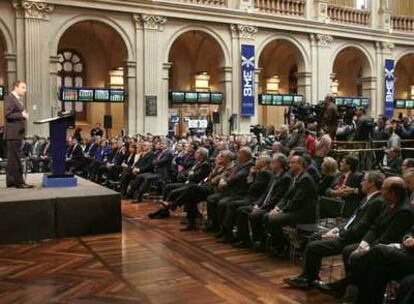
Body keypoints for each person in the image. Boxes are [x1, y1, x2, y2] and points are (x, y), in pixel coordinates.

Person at [283, 171, 385, 289]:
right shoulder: (368, 198)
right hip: (346, 232)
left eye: (364, 180)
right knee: (315, 237)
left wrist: (339, 235)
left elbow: (361, 227)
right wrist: (336, 229)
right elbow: (351, 219)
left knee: (313, 247)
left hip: (351, 238)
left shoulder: (376, 201)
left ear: (372, 183)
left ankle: (307, 278)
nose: (361, 183)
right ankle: (309, 277)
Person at [264, 155, 318, 255]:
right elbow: (286, 196)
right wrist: (277, 208)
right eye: (289, 163)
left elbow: (296, 202)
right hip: (295, 210)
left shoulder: (305, 179)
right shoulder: (296, 177)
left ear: (300, 164)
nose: (289, 165)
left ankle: (282, 246)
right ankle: (280, 244)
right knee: (267, 216)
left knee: (272, 219)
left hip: (304, 213)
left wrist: (281, 211)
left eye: (292, 162)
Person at [4, 80, 33, 188]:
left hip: (15, 133)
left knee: (12, 159)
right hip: (13, 133)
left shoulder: (16, 99)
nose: (25, 90)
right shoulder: (10, 98)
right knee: (16, 158)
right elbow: (8, 114)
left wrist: (23, 114)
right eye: (23, 87)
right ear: (16, 87)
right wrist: (22, 115)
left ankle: (10, 181)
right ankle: (19, 182)